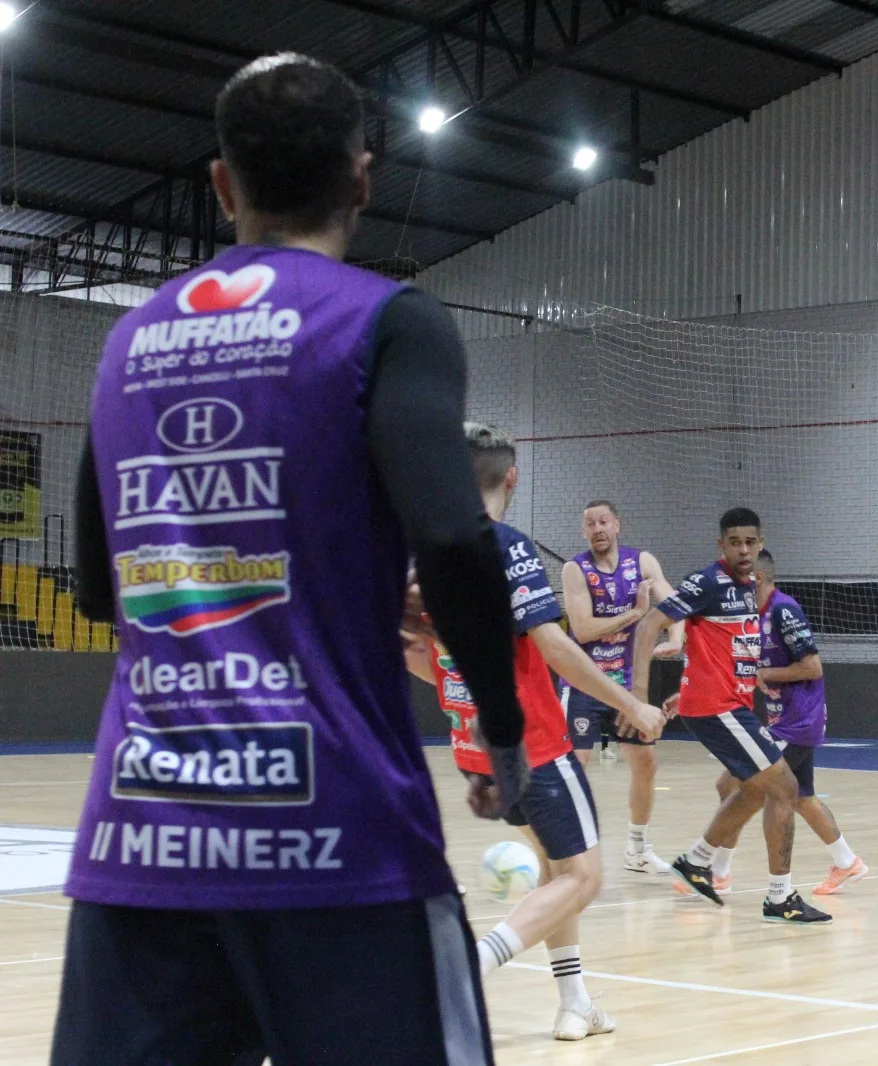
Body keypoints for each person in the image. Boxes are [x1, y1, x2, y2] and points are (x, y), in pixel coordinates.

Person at [56, 54, 528, 1065]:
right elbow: (452, 536)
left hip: (144, 841)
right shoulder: (390, 320)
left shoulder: (128, 340)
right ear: (363, 177)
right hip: (340, 835)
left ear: (222, 184)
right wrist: (503, 727)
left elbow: (102, 587)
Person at [403, 425, 664, 1041]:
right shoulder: (506, 548)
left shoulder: (420, 552)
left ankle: (575, 1003)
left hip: (475, 748)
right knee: (585, 877)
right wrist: (636, 704)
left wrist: (454, 688)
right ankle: (470, 964)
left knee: (555, 871)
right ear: (511, 478)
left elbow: (412, 650)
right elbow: (553, 644)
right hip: (533, 742)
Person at [628, 508, 832, 924]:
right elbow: (651, 623)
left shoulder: (747, 588)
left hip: (730, 706)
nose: (743, 549)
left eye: (750, 542)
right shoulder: (708, 582)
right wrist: (639, 699)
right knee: (785, 786)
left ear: (760, 544)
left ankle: (698, 861)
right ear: (721, 544)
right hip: (718, 710)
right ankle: (780, 897)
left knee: (755, 789)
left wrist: (683, 692)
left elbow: (715, 651)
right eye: (734, 541)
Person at [705, 551, 868, 896]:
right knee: (802, 797)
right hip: (786, 720)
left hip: (797, 722)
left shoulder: (783, 610)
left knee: (731, 783)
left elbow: (813, 668)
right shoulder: (753, 615)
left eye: (740, 576)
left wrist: (765, 672)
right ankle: (846, 862)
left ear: (759, 578)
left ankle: (718, 873)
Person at [558, 500, 682, 874]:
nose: (597, 528)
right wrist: (634, 614)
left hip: (627, 688)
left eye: (603, 521)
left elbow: (675, 601)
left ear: (617, 525)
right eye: (589, 523)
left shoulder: (642, 563)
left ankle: (637, 849)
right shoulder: (574, 570)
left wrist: (676, 636)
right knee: (575, 766)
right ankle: (570, 853)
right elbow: (582, 629)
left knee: (646, 763)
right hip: (583, 683)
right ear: (584, 532)